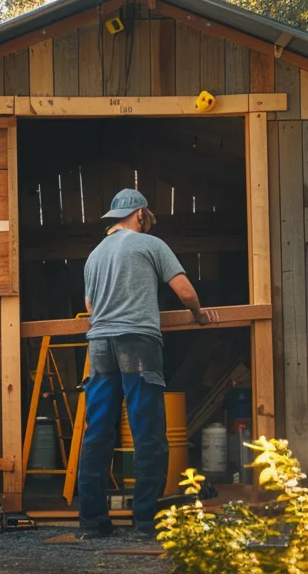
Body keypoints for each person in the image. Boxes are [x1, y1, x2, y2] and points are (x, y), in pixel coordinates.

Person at [76, 188, 212, 539]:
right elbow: (185, 292)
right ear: (139, 214)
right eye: (146, 218)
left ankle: (92, 522)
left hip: (100, 345)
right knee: (147, 432)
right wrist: (198, 314)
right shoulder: (151, 245)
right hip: (137, 343)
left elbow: (91, 307)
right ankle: (146, 521)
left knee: (98, 434)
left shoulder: (94, 256)